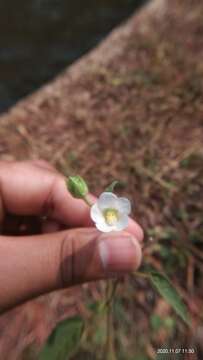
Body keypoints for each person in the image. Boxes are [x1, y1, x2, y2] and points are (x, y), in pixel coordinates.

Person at [0, 160, 143, 312]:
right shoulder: (99, 214)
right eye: (109, 213)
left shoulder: (113, 212)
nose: (111, 216)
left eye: (112, 214)